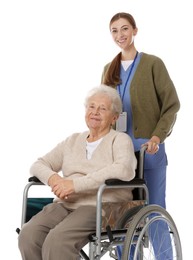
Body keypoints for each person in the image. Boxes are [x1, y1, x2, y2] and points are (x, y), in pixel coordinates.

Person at [18, 84, 137, 260]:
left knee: (58, 241)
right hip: (66, 203)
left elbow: (124, 169)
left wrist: (74, 185)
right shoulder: (73, 140)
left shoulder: (120, 140)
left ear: (114, 118)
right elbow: (38, 164)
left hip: (101, 206)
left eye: (102, 108)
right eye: (91, 106)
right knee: (28, 235)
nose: (95, 112)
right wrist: (54, 179)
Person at [101, 12, 180, 259]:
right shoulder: (108, 69)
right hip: (120, 156)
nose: (120, 35)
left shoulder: (153, 64)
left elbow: (171, 105)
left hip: (149, 151)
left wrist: (157, 137)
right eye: (114, 30)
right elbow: (103, 110)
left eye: (125, 29)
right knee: (124, 212)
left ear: (135, 31)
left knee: (154, 211)